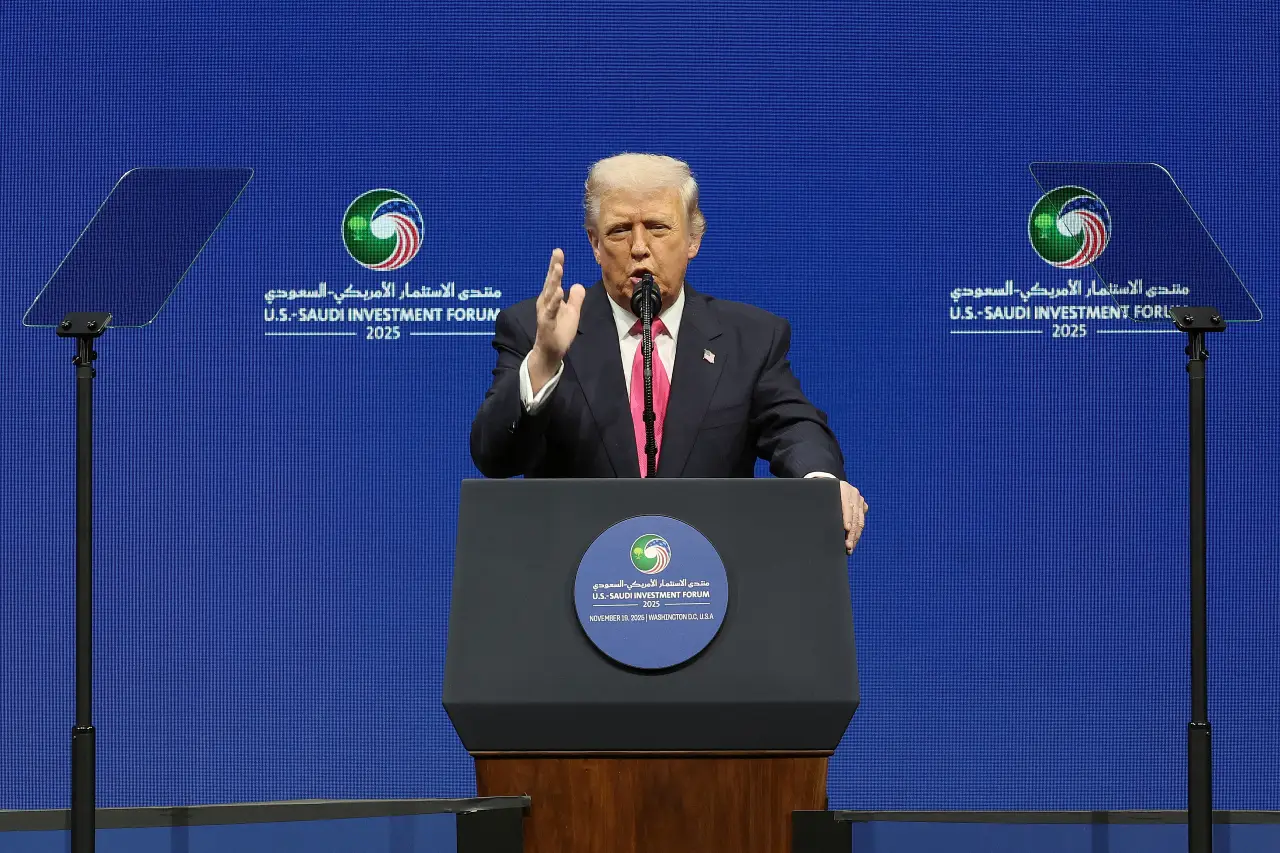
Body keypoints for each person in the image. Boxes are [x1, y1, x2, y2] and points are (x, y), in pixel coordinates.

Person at [470, 153, 868, 553]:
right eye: (619, 231)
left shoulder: (750, 337)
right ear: (594, 243)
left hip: (712, 584)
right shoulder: (537, 329)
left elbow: (794, 427)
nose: (639, 247)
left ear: (693, 238)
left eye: (658, 227)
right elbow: (493, 457)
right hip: (574, 580)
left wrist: (821, 484)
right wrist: (544, 360)